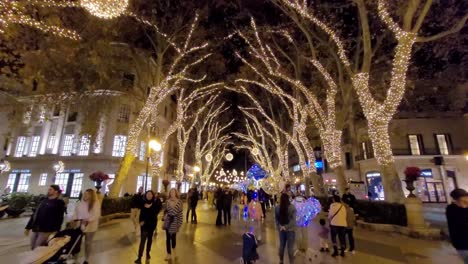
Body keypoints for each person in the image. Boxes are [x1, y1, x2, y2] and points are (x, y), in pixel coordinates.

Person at [25, 185, 65, 250]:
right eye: (48, 189)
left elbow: (59, 217)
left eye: (50, 190)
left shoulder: (59, 203)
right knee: (32, 246)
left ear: (56, 191)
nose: (48, 191)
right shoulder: (43, 200)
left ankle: (37, 259)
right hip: (36, 227)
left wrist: (57, 230)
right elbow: (35, 213)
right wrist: (28, 227)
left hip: (46, 229)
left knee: (37, 247)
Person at [71, 189, 101, 264]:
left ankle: (86, 259)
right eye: (85, 194)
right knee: (77, 242)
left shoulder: (95, 203)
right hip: (80, 225)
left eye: (88, 194)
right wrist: (74, 219)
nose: (85, 195)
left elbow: (96, 214)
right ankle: (74, 258)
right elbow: (76, 212)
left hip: (91, 226)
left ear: (91, 195)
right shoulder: (80, 203)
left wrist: (88, 220)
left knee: (88, 243)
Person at [135, 190, 162, 264]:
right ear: (145, 195)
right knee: (142, 241)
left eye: (150, 194)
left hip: (152, 224)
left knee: (149, 240)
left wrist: (151, 206)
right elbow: (141, 212)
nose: (149, 195)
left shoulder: (155, 203)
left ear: (153, 196)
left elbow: (155, 212)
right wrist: (140, 221)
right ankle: (139, 257)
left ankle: (147, 253)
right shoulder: (143, 203)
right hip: (144, 225)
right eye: (147, 194)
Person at [446, 188, 468, 264]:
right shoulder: (452, 209)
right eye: (465, 196)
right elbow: (460, 224)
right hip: (462, 243)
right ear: (459, 199)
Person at [275, 193, 297, 264]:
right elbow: (293, 221)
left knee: (281, 246)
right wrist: (286, 227)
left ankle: (281, 261)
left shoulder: (277, 207)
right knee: (290, 248)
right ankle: (291, 262)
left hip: (281, 230)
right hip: (290, 230)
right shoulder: (292, 207)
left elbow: (276, 219)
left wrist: (280, 227)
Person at [163, 188, 183, 261]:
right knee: (168, 238)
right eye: (171, 192)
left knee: (173, 238)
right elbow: (165, 211)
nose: (172, 194)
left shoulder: (179, 202)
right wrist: (164, 216)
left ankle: (174, 250)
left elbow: (180, 213)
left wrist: (179, 223)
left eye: (173, 192)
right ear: (169, 194)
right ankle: (168, 254)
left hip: (175, 221)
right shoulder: (167, 202)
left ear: (176, 193)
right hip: (168, 221)